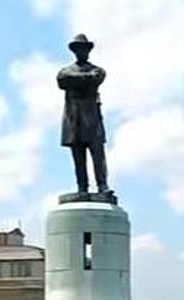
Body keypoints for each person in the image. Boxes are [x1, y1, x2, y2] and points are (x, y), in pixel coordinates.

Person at [57, 34, 110, 195]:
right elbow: (62, 80)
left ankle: (102, 186)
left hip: (92, 119)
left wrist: (77, 81)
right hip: (74, 120)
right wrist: (86, 79)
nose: (81, 52)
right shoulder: (66, 71)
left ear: (88, 51)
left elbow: (97, 78)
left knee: (97, 154)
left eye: (84, 49)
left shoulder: (97, 70)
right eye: (78, 49)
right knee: (78, 157)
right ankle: (82, 188)